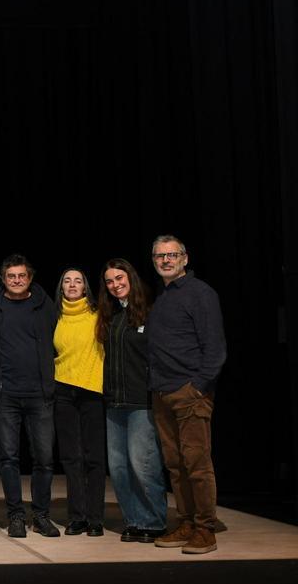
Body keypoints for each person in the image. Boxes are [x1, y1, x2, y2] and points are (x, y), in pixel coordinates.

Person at [146, 235, 226, 554]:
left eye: (172, 255)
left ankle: (206, 528)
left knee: (196, 462)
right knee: (176, 464)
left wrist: (198, 387)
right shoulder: (163, 297)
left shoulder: (200, 293)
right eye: (159, 256)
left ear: (185, 259)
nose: (166, 260)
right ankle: (188, 522)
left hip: (189, 391)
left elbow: (216, 348)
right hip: (163, 392)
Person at [0, 254, 60, 538]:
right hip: (7, 395)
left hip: (40, 395)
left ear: (30, 278)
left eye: (21, 276)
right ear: (3, 279)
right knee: (8, 458)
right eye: (11, 276)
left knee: (43, 459)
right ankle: (15, 515)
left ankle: (41, 515)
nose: (16, 280)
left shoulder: (45, 305)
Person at [96, 258, 167, 543]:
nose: (115, 285)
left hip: (142, 401)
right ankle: (134, 520)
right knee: (120, 467)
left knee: (143, 464)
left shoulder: (151, 311)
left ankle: (154, 521)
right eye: (110, 281)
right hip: (114, 402)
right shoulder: (111, 316)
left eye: (119, 278)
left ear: (131, 278)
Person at [53, 267, 106, 536]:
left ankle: (95, 517)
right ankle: (77, 516)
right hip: (63, 391)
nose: (72, 285)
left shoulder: (99, 315)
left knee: (94, 457)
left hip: (92, 392)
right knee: (71, 457)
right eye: (67, 281)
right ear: (61, 287)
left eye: (78, 281)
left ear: (85, 287)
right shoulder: (55, 317)